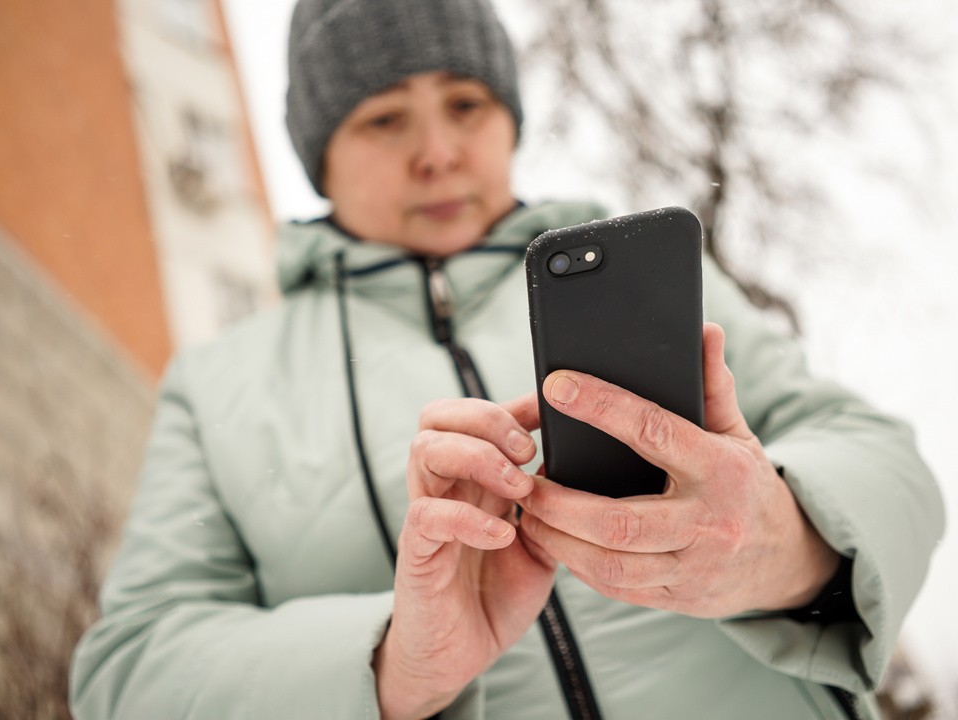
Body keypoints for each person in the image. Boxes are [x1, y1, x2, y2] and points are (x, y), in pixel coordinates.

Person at [70, 0, 944, 718]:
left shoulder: (657, 284)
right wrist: (391, 662)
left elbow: (878, 454)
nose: (439, 152)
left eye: (466, 104)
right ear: (318, 159)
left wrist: (785, 544)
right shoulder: (221, 383)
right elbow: (129, 668)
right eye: (383, 118)